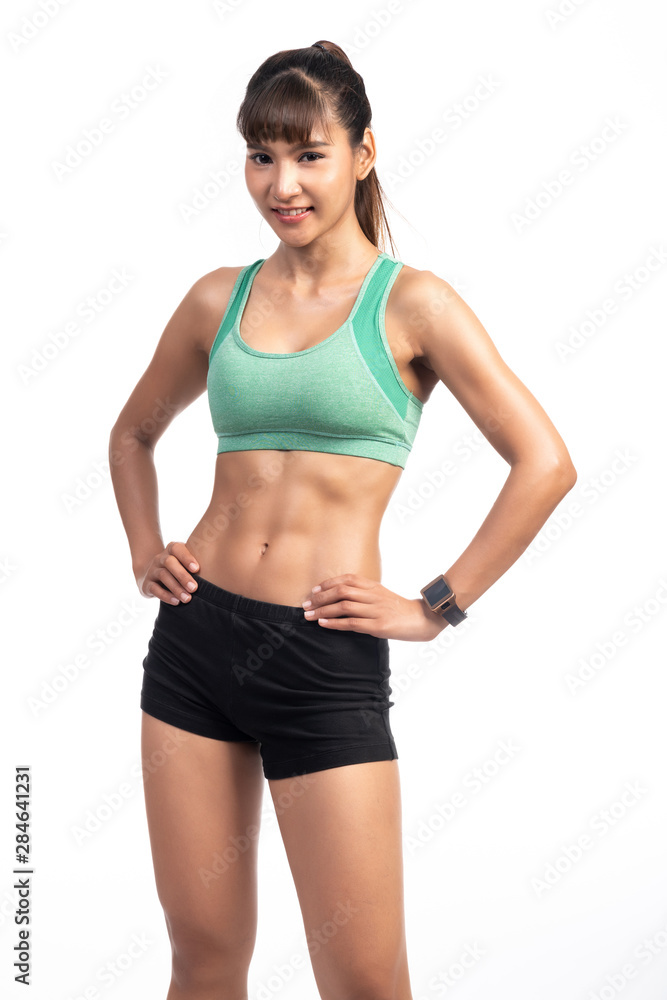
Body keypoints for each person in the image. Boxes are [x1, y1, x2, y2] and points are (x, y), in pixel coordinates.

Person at [109, 39, 577, 1000]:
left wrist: (434, 605)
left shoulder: (413, 305)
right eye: (261, 156)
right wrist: (145, 549)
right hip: (193, 646)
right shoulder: (217, 298)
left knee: (362, 981)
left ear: (363, 155)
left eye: (309, 154)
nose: (281, 184)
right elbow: (132, 436)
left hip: (322, 659)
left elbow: (545, 464)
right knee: (202, 953)